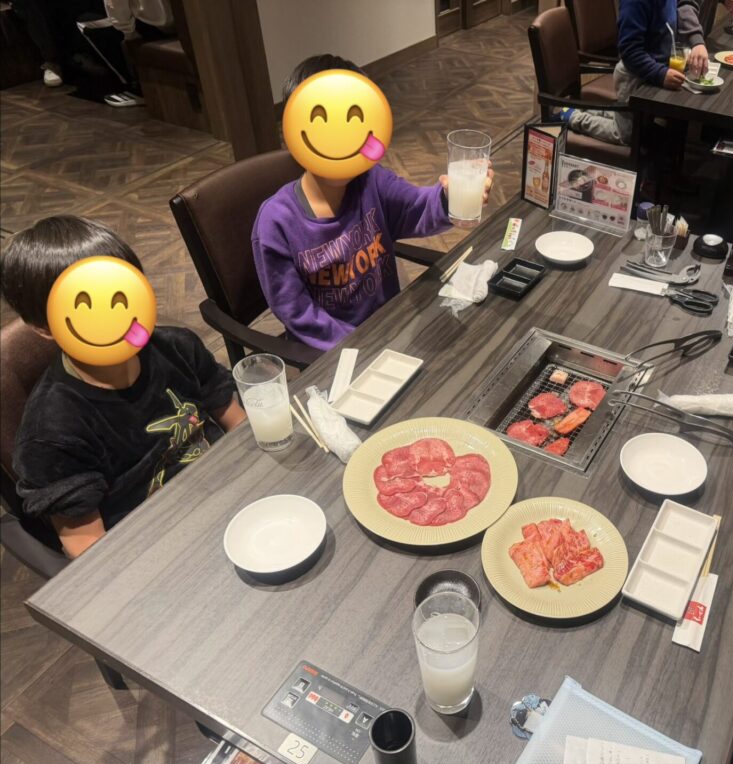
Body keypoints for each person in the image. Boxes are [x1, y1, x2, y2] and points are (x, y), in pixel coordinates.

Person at [0, 216, 247, 558]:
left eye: (122, 297)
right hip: (156, 545)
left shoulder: (177, 347)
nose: (114, 316)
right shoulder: (52, 432)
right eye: (88, 308)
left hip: (228, 491)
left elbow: (236, 423)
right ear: (42, 326)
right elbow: (89, 548)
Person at [252, 55, 492, 352]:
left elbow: (417, 208)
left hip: (390, 332)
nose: (340, 139)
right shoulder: (276, 222)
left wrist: (449, 197)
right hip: (329, 355)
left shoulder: (371, 181)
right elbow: (298, 314)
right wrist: (361, 346)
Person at [561, 0, 733, 145]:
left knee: (637, 120)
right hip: (634, 75)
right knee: (626, 134)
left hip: (653, 71)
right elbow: (630, 51)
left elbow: (682, 9)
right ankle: (573, 117)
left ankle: (593, 110)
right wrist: (660, 74)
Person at [77, 0, 176, 108]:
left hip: (158, 25)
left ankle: (136, 86)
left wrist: (130, 39)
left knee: (84, 22)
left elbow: (117, 9)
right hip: (180, 17)